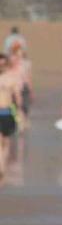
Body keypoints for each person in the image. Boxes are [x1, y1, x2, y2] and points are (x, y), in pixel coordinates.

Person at [0, 53, 20, 181]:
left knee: (6, 142)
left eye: (3, 63)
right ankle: (1, 168)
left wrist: (18, 112)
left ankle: (3, 165)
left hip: (7, 113)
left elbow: (17, 96)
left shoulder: (11, 78)